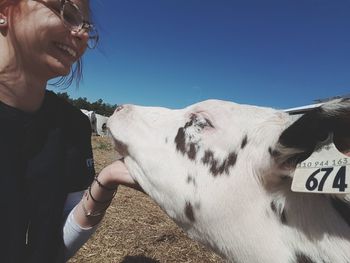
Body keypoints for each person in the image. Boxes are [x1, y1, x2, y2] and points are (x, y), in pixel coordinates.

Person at [0, 0, 136, 262]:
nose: (82, 34)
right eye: (66, 12)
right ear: (4, 12)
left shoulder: (72, 125)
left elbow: (52, 246)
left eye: (87, 27)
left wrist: (106, 180)